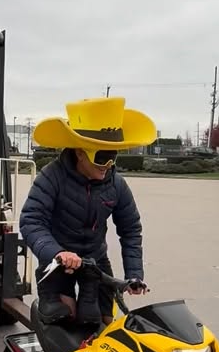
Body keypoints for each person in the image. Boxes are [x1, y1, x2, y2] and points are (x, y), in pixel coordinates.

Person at [19, 96, 157, 325]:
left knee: (100, 320)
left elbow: (131, 230)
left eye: (112, 156)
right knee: (65, 317)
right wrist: (57, 252)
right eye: (101, 158)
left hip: (96, 260)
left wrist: (134, 275)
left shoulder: (116, 184)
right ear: (80, 152)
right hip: (59, 259)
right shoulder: (52, 176)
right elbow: (31, 221)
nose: (108, 165)